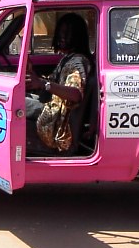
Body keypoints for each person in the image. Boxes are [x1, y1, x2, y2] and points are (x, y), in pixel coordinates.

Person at [25, 13, 92, 155]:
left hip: (58, 119)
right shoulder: (68, 59)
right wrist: (35, 77)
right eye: (60, 32)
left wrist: (44, 84)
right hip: (53, 106)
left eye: (67, 33)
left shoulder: (77, 62)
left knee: (15, 103)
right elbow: (52, 81)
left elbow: (76, 94)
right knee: (22, 98)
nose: (62, 37)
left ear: (77, 36)